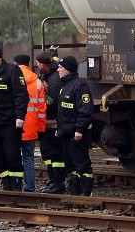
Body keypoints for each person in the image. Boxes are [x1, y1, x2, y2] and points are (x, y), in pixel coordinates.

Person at [0, 44, 29, 191]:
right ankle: (5, 181)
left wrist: (20, 116)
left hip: (9, 121)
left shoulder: (12, 71)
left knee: (12, 155)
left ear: (0, 58)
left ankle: (16, 184)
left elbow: (21, 96)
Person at [56, 56, 94, 196]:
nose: (58, 70)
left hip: (77, 134)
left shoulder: (80, 86)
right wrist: (60, 129)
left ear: (69, 70)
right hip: (66, 133)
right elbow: (63, 112)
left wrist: (79, 129)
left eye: (61, 67)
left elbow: (85, 111)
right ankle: (74, 192)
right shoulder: (65, 85)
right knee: (71, 165)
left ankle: (86, 194)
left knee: (82, 164)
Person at [14, 54, 46, 192]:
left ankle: (16, 187)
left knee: (14, 158)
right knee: (28, 159)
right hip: (31, 126)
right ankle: (30, 187)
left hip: (14, 126)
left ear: (15, 63)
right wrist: (40, 127)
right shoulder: (37, 81)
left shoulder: (11, 78)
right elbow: (41, 108)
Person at [36, 50, 66, 193]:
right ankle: (52, 179)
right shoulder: (48, 74)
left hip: (52, 121)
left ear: (41, 65)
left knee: (55, 153)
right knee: (47, 152)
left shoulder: (53, 80)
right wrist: (52, 52)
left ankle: (58, 183)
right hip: (46, 121)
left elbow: (50, 102)